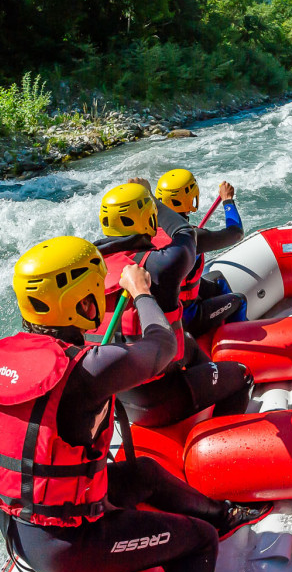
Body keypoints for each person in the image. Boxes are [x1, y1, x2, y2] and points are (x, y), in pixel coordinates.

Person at [0, 237, 268, 572]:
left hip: (18, 532)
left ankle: (224, 514)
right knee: (200, 540)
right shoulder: (89, 370)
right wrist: (142, 294)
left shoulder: (5, 359)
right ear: (78, 302)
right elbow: (163, 347)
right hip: (67, 547)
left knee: (143, 473)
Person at [91, 180, 253, 427]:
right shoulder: (162, 264)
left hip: (119, 395)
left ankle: (210, 379)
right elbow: (188, 234)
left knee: (187, 342)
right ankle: (219, 442)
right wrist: (228, 201)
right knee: (243, 374)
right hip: (157, 399)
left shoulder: (93, 265)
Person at [154, 169, 247, 336]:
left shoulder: (147, 234)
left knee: (218, 280)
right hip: (187, 317)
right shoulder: (192, 237)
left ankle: (219, 326)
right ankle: (236, 345)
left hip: (163, 312)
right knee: (239, 300)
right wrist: (227, 201)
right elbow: (236, 233)